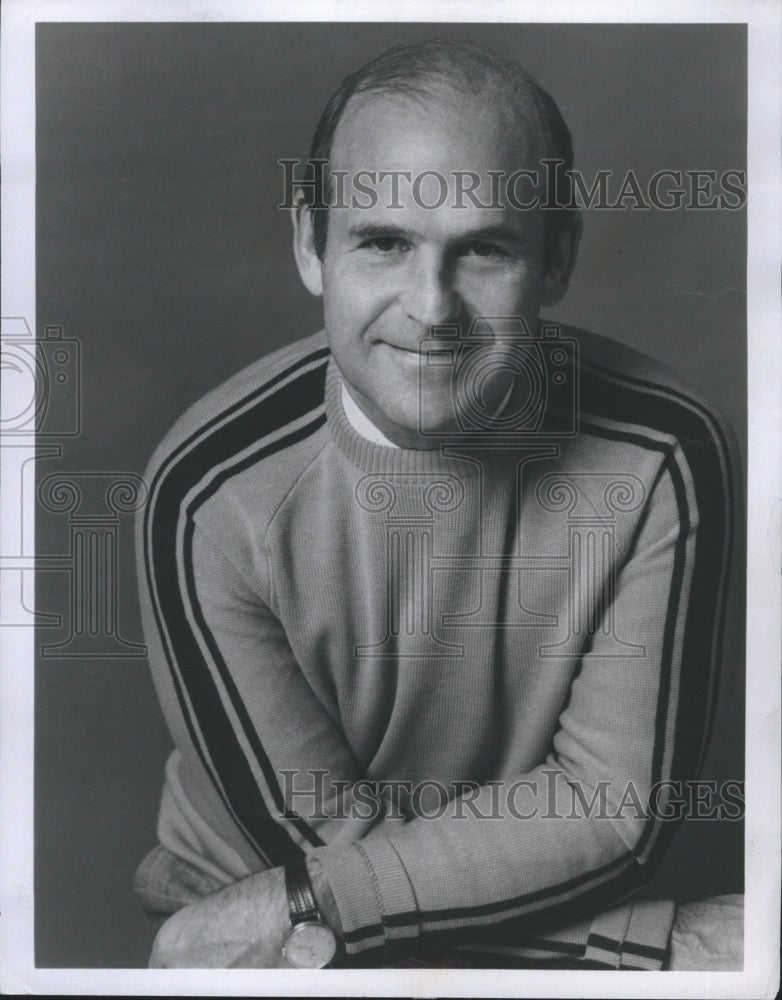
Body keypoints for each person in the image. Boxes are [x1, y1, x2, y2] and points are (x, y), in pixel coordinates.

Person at [133, 39, 743, 970]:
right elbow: (321, 859)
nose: (431, 307)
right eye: (382, 242)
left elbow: (610, 817)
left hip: (292, 921)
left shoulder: (664, 455)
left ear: (557, 257)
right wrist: (656, 947)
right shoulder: (208, 494)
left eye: (486, 249)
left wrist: (307, 908)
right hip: (244, 925)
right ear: (310, 244)